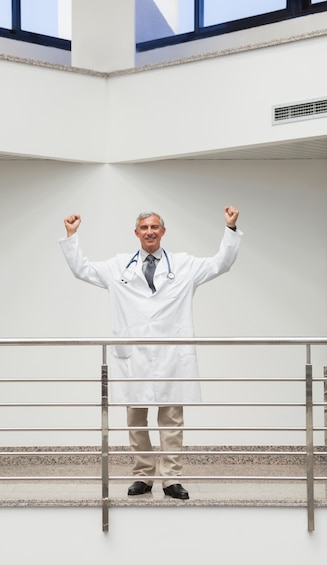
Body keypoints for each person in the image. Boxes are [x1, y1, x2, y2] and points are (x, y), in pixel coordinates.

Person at [60, 207, 242, 499]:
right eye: (144, 227)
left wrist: (230, 229)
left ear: (163, 231)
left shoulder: (184, 265)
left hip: (172, 358)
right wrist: (72, 236)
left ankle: (171, 479)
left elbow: (221, 263)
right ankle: (143, 475)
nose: (149, 232)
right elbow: (83, 269)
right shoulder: (119, 266)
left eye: (155, 227)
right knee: (136, 421)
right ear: (136, 233)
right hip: (134, 358)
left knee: (171, 422)